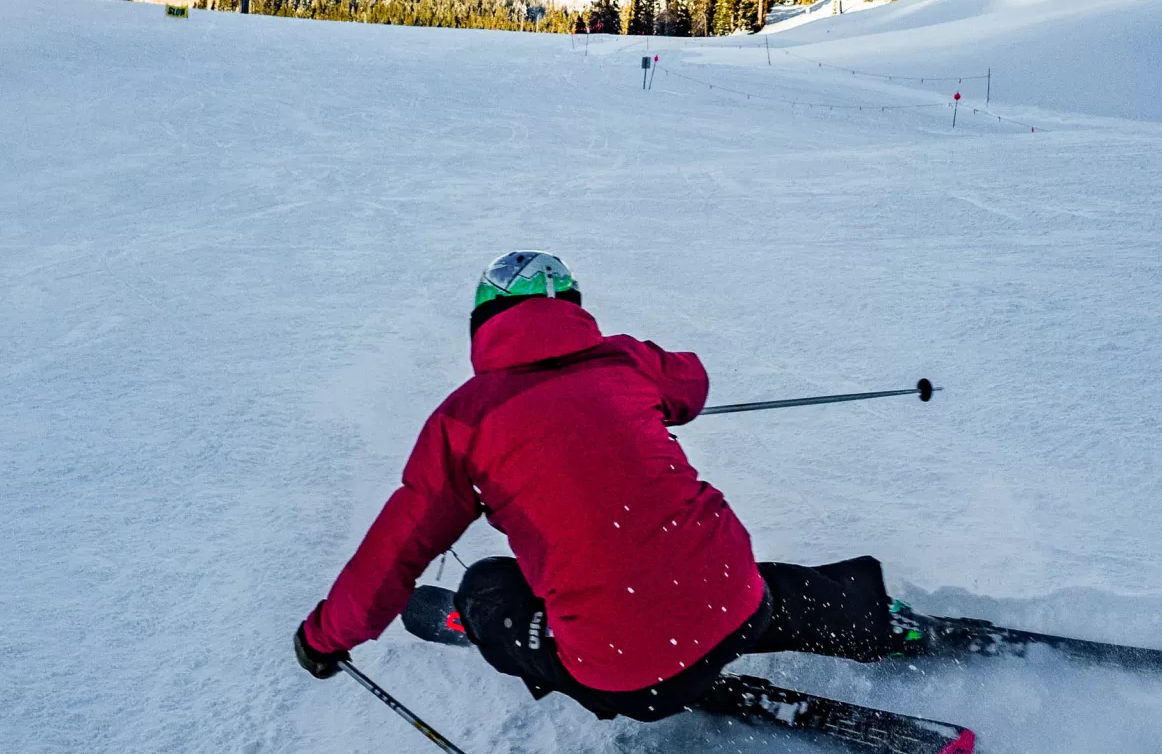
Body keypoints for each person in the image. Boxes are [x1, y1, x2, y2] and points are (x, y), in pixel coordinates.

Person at [293, 251, 913, 720]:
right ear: (572, 308)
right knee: (732, 578)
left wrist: (324, 637)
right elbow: (690, 383)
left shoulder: (463, 419)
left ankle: (572, 642)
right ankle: (867, 616)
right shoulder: (620, 360)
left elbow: (392, 553)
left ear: (482, 324)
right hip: (739, 605)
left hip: (625, 676)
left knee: (486, 583)